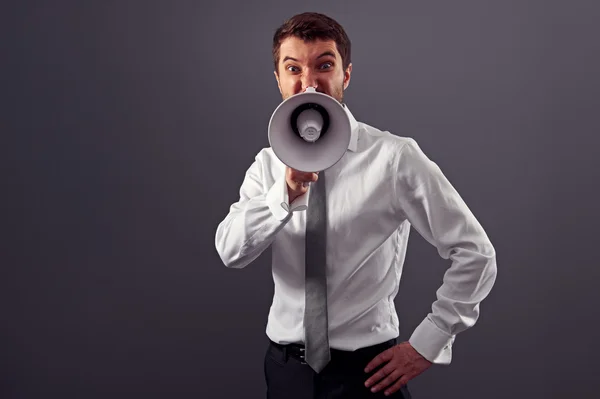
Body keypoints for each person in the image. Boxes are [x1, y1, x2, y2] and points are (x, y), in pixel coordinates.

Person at [215, 11, 497, 399]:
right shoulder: (267, 165)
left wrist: (427, 344)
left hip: (368, 374)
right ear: (278, 80)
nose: (308, 83)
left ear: (345, 75)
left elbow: (476, 253)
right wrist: (285, 193)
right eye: (293, 68)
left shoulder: (394, 157)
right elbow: (230, 251)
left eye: (324, 66)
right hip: (286, 373)